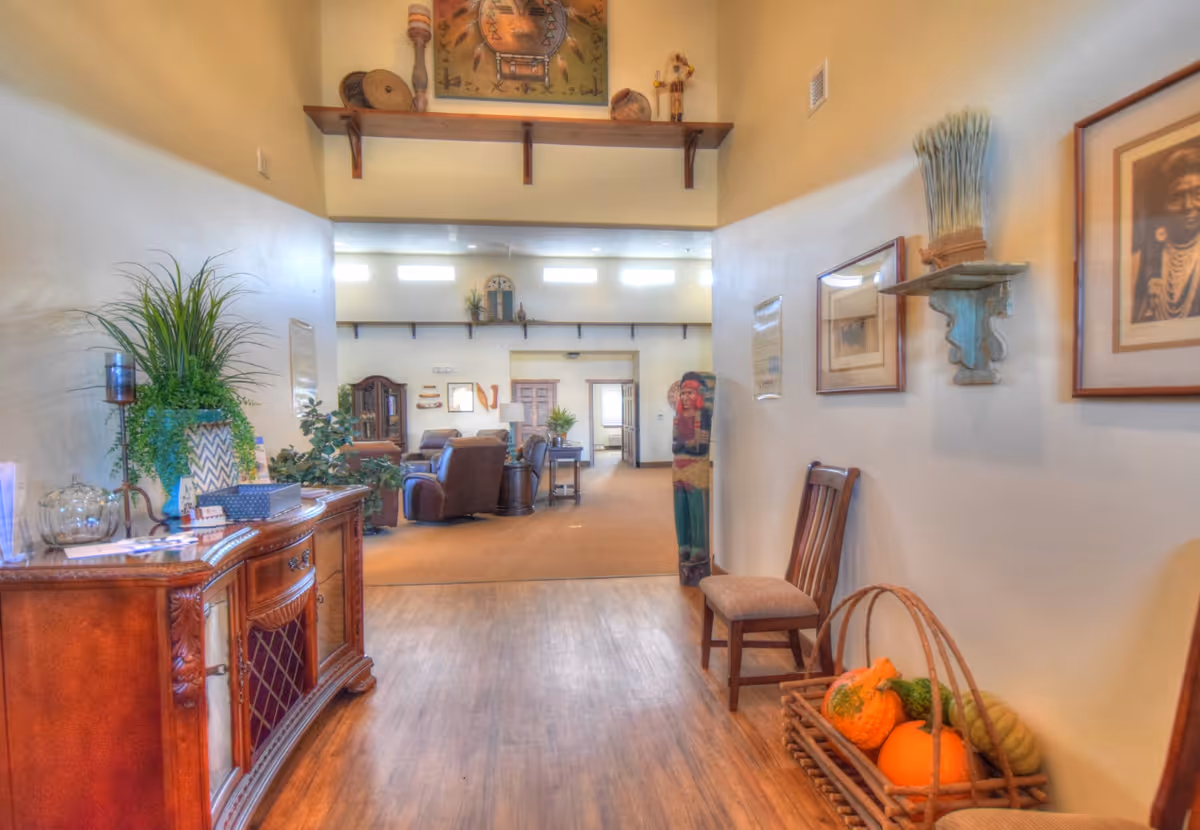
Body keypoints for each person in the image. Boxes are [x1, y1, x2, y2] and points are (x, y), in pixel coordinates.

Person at [1132, 145, 1200, 323]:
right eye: (1177, 197)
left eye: (1198, 194)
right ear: (1163, 204)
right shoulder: (1141, 258)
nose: (1189, 206)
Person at [672, 372, 714, 586]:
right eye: (683, 393)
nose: (685, 397)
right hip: (678, 468)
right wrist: (685, 446)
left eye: (689, 393)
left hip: (696, 469)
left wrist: (685, 445)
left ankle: (698, 548)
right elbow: (675, 445)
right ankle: (684, 547)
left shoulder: (702, 417)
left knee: (697, 508)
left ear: (698, 394)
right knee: (680, 509)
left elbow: (700, 447)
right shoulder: (678, 417)